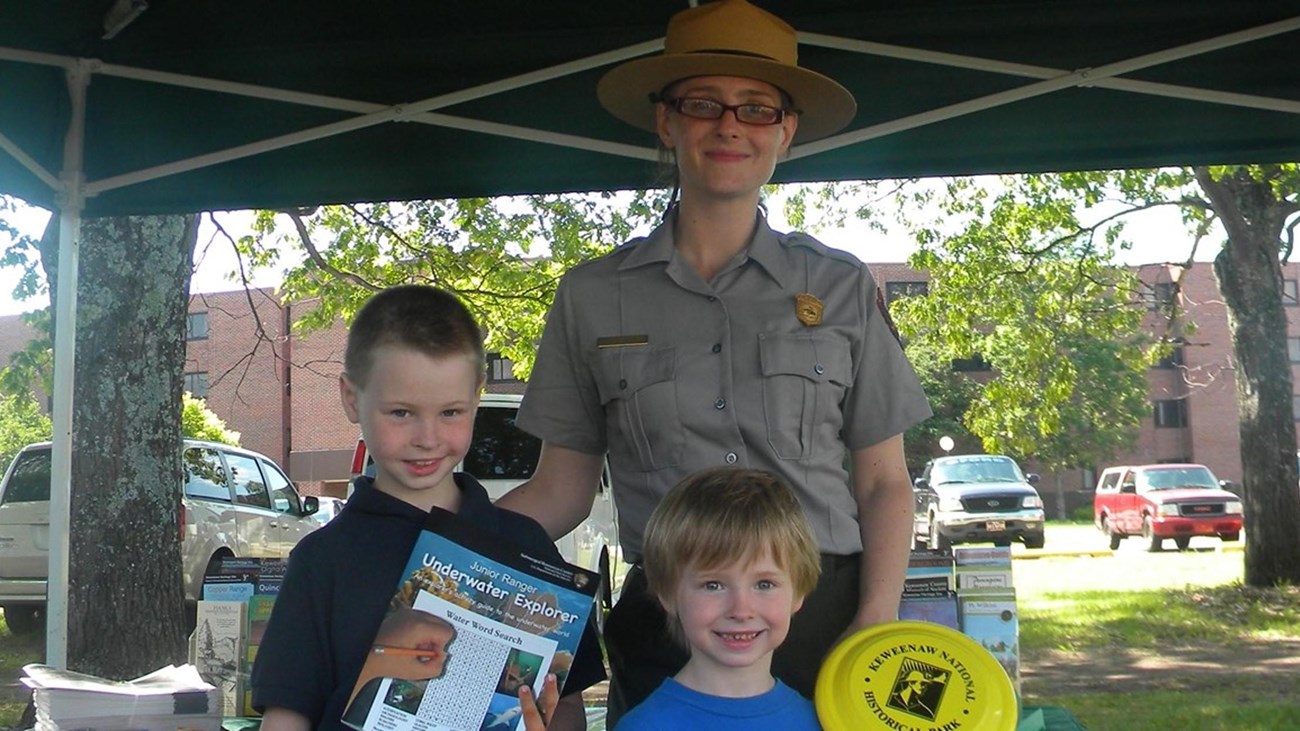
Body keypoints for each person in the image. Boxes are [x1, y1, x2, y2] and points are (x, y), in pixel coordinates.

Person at [496, 0, 932, 722]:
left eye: (756, 108)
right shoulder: (591, 297)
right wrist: (435, 534)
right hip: (670, 630)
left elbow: (885, 481)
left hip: (826, 621)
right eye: (703, 103)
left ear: (786, 131)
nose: (729, 125)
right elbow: (560, 491)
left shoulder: (841, 286)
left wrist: (875, 623)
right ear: (666, 121)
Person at [250, 285, 604, 731]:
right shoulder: (323, 560)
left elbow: (569, 705)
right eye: (401, 413)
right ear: (351, 397)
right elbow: (286, 714)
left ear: (477, 397)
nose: (428, 437)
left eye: (451, 412)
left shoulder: (525, 544)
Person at [617, 468, 823, 730]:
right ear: (668, 594)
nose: (741, 610)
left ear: (799, 592)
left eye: (764, 584)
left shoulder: (826, 720)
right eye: (713, 585)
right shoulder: (644, 726)